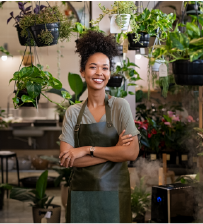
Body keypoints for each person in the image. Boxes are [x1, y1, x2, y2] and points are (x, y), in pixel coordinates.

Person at [58, 31, 140, 224]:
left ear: (109, 73)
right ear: (82, 71)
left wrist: (86, 150)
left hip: (115, 194)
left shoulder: (120, 106)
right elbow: (67, 160)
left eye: (105, 68)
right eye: (93, 67)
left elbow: (131, 152)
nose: (99, 73)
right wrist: (115, 151)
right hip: (81, 197)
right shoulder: (72, 112)